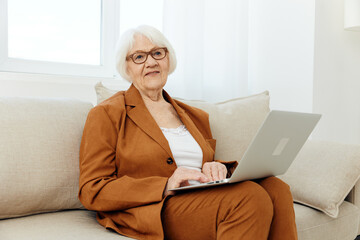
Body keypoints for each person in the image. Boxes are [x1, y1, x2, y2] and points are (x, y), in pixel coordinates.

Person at [78, 25, 298, 240]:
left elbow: (196, 166)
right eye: (139, 57)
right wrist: (164, 185)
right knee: (250, 197)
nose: (151, 62)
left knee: (275, 188)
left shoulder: (195, 116)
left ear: (168, 59)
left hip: (200, 196)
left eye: (157, 53)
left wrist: (216, 167)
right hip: (154, 207)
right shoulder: (107, 113)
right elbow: (92, 189)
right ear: (126, 67)